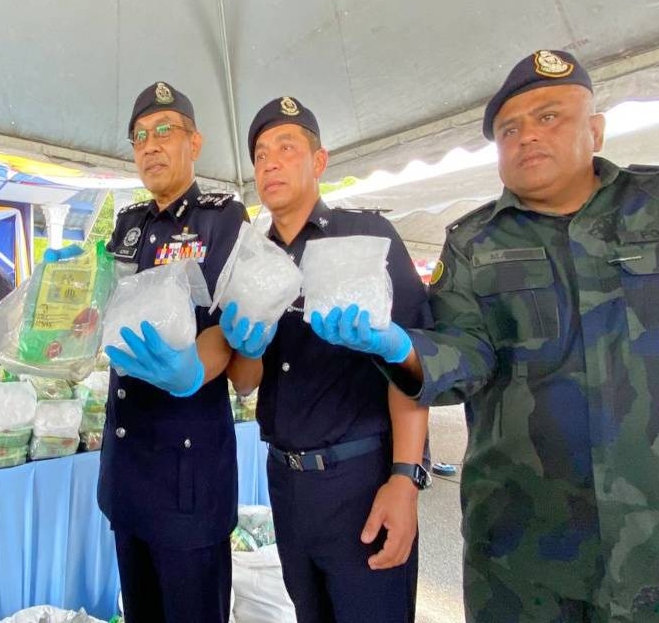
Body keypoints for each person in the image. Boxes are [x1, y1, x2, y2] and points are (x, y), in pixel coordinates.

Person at [332, 50, 659, 621]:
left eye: (549, 117)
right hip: (525, 547)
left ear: (594, 129)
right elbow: (467, 354)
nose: (527, 137)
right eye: (509, 129)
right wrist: (400, 346)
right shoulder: (474, 243)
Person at [221, 97, 430, 623]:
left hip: (359, 479)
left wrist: (405, 479)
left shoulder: (366, 239)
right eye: (261, 153)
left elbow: (415, 365)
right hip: (287, 484)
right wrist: (246, 349)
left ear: (318, 161)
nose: (269, 162)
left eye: (286, 148)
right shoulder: (252, 261)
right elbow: (246, 383)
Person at [95, 81, 247, 623]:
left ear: (194, 142)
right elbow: (105, 312)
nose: (151, 145)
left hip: (189, 476)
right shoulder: (127, 224)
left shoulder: (223, 217)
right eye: (139, 137)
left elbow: (231, 324)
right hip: (128, 468)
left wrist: (193, 371)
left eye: (164, 131)